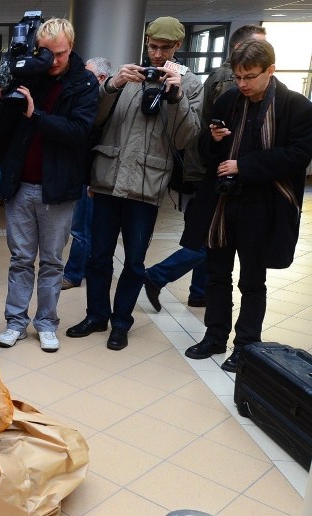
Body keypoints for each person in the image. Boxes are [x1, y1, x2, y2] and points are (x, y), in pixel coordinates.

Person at [65, 16, 203, 351]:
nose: (157, 55)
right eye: (153, 47)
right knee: (98, 256)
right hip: (109, 179)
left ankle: (121, 323)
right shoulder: (129, 77)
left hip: (147, 185)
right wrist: (111, 86)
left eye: (165, 48)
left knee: (135, 262)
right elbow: (93, 119)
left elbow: (186, 137)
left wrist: (176, 96)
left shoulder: (191, 83)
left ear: (178, 47)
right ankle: (97, 315)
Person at [184, 39, 312, 372]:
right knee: (216, 275)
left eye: (250, 77)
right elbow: (206, 150)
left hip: (263, 206)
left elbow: (299, 156)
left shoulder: (295, 106)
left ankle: (246, 346)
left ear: (271, 70)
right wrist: (212, 141)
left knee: (252, 281)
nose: (242, 84)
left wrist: (245, 165)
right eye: (238, 76)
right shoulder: (229, 99)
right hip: (224, 204)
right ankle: (214, 336)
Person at [0, 18, 99, 352]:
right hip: (21, 184)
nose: (53, 61)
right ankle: (15, 322)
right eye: (46, 53)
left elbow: (78, 132)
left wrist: (36, 116)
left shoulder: (84, 83)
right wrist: (7, 88)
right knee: (20, 259)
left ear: (72, 47)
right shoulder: (30, 75)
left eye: (60, 54)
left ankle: (47, 323)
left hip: (59, 188)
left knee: (52, 262)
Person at [143, 25, 267, 312]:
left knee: (208, 235)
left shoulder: (224, 77)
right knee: (208, 236)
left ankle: (199, 292)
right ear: (239, 49)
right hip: (211, 170)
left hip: (210, 167)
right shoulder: (229, 80)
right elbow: (223, 131)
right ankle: (157, 275)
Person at [61, 56, 111, 290]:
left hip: (92, 177)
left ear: (102, 78)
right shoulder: (92, 102)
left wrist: (91, 181)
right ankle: (86, 268)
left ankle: (73, 274)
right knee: (88, 228)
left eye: (88, 74)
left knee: (81, 229)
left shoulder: (103, 107)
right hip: (87, 175)